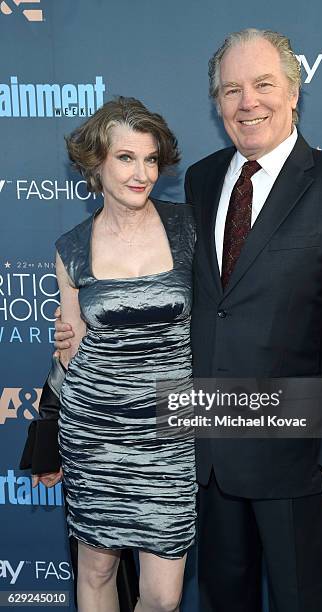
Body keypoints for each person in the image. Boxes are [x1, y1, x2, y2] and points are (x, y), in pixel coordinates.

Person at [55, 29, 322, 612]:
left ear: (293, 93)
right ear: (216, 103)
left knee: (300, 600)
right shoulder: (204, 181)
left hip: (295, 453)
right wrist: (77, 326)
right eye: (231, 89)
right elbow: (140, 279)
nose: (247, 102)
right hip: (203, 454)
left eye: (263, 85)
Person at [22, 96, 196, 612]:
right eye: (126, 157)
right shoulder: (72, 246)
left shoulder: (187, 227)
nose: (141, 172)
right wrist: (46, 433)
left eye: (150, 159)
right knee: (97, 570)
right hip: (94, 430)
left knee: (162, 598)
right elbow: (69, 349)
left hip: (170, 431)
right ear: (96, 162)